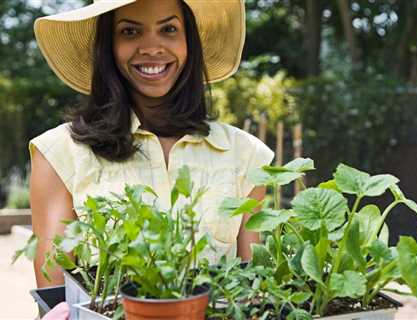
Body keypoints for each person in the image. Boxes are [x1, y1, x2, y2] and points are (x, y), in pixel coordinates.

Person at [30, 0, 273, 317]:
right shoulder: (60, 152)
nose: (152, 47)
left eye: (169, 29)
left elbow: (253, 292)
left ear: (190, 42)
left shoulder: (246, 155)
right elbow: (58, 298)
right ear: (108, 45)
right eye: (130, 31)